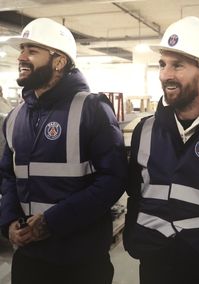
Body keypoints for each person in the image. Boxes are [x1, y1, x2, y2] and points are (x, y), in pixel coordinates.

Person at [0, 17, 127, 284]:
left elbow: (113, 179)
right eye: (22, 49)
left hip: (80, 261)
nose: (21, 56)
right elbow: (8, 177)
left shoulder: (92, 109)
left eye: (32, 50)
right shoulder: (14, 117)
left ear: (59, 62)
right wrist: (10, 222)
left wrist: (53, 221)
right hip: (29, 259)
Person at [123, 16, 199, 284]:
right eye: (162, 64)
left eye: (178, 65)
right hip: (155, 263)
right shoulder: (146, 129)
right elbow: (135, 192)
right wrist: (133, 238)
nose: (165, 75)